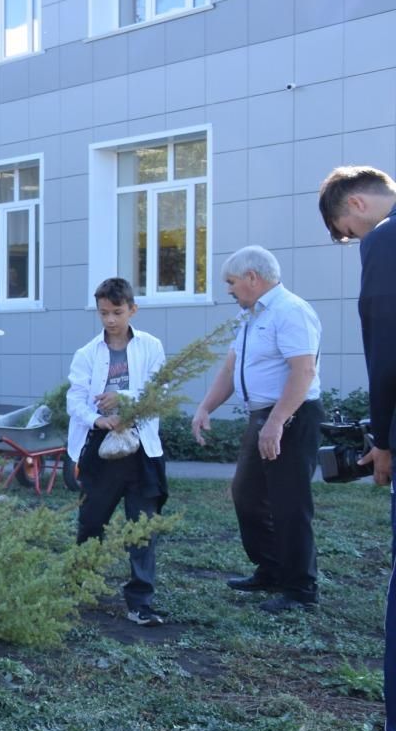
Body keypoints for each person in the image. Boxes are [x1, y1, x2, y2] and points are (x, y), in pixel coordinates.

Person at [191, 246, 323, 614]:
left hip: (292, 418)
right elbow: (231, 367)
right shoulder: (251, 316)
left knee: (289, 503)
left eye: (231, 282)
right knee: (247, 495)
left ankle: (301, 590)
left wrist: (278, 421)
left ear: (253, 277)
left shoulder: (291, 311)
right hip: (262, 417)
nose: (229, 290)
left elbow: (303, 372)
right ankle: (272, 569)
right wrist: (204, 407)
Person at [319, 165, 396, 731]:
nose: (352, 241)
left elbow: (384, 338)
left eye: (346, 230)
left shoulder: (386, 238)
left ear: (360, 204)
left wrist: (386, 437)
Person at [67, 278, 170, 626]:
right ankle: (79, 587)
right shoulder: (87, 353)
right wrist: (97, 420)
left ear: (132, 309)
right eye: (103, 313)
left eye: (117, 312)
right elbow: (75, 399)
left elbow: (160, 389)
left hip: (141, 448)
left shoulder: (151, 347)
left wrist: (125, 400)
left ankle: (141, 601)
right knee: (92, 521)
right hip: (100, 448)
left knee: (142, 526)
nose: (110, 320)